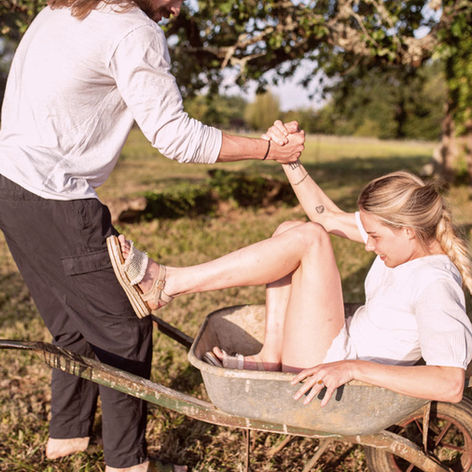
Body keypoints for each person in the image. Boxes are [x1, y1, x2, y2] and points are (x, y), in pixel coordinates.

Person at [0, 1, 304, 470]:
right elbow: (176, 138)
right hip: (55, 197)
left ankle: (67, 437)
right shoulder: (133, 29)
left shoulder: (61, 9)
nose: (178, 8)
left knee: (73, 323)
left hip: (10, 186)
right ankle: (128, 463)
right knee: (125, 328)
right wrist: (269, 150)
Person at [108, 120, 472, 412]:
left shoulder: (434, 285)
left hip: (341, 366)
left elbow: (450, 383)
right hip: (339, 347)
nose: (367, 243)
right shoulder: (408, 244)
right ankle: (270, 356)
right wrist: (288, 159)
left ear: (408, 231)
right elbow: (326, 216)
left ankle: (169, 283)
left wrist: (350, 368)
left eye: (375, 236)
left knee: (309, 239)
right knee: (294, 230)